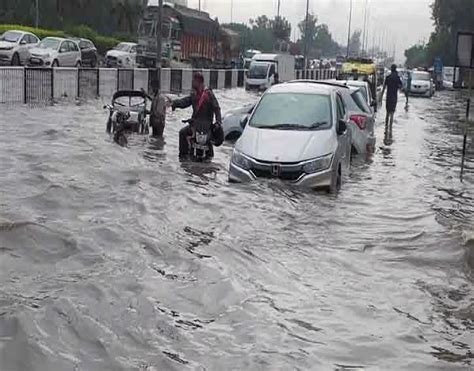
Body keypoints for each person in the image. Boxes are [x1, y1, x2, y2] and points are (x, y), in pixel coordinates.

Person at [171, 73, 222, 158]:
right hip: (199, 126)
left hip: (201, 127)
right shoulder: (195, 94)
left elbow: (217, 109)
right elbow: (186, 101)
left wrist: (218, 122)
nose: (192, 82)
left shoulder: (208, 94)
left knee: (182, 133)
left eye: (193, 80)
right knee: (184, 133)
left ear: (199, 82)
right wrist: (175, 103)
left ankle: (183, 157)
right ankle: (185, 156)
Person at [381, 64, 403, 142]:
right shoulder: (397, 78)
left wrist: (380, 97)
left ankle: (386, 128)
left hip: (388, 97)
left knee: (387, 113)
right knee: (392, 113)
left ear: (391, 69)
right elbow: (401, 87)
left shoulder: (388, 77)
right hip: (394, 97)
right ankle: (390, 128)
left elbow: (383, 88)